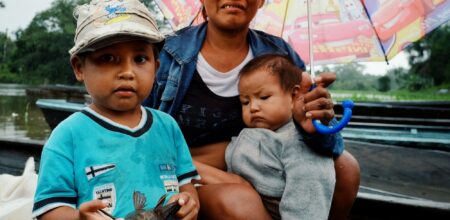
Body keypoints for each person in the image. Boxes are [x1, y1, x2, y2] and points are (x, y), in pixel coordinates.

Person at [145, 0, 360, 219]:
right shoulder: (167, 53)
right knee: (240, 199)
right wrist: (230, 179)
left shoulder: (280, 55)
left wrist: (311, 124)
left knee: (347, 168)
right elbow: (140, 138)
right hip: (188, 172)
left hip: (262, 165)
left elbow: (331, 142)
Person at [32, 0, 200, 219]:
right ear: (79, 67)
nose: (127, 72)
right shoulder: (68, 136)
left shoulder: (167, 127)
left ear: (156, 68)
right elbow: (50, 209)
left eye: (140, 59)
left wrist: (190, 203)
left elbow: (187, 187)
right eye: (108, 58)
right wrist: (77, 218)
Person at [225, 54, 336, 220]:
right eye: (245, 102)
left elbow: (308, 195)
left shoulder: (298, 141)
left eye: (264, 97)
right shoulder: (255, 132)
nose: (253, 107)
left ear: (294, 96)